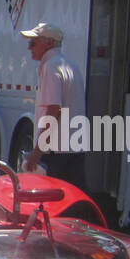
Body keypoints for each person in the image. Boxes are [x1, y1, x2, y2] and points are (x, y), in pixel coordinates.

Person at [21, 22, 87, 187]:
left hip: (56, 150)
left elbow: (53, 109)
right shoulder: (70, 65)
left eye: (33, 42)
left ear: (48, 43)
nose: (30, 48)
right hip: (74, 147)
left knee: (53, 200)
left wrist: (38, 150)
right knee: (73, 198)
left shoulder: (50, 67)